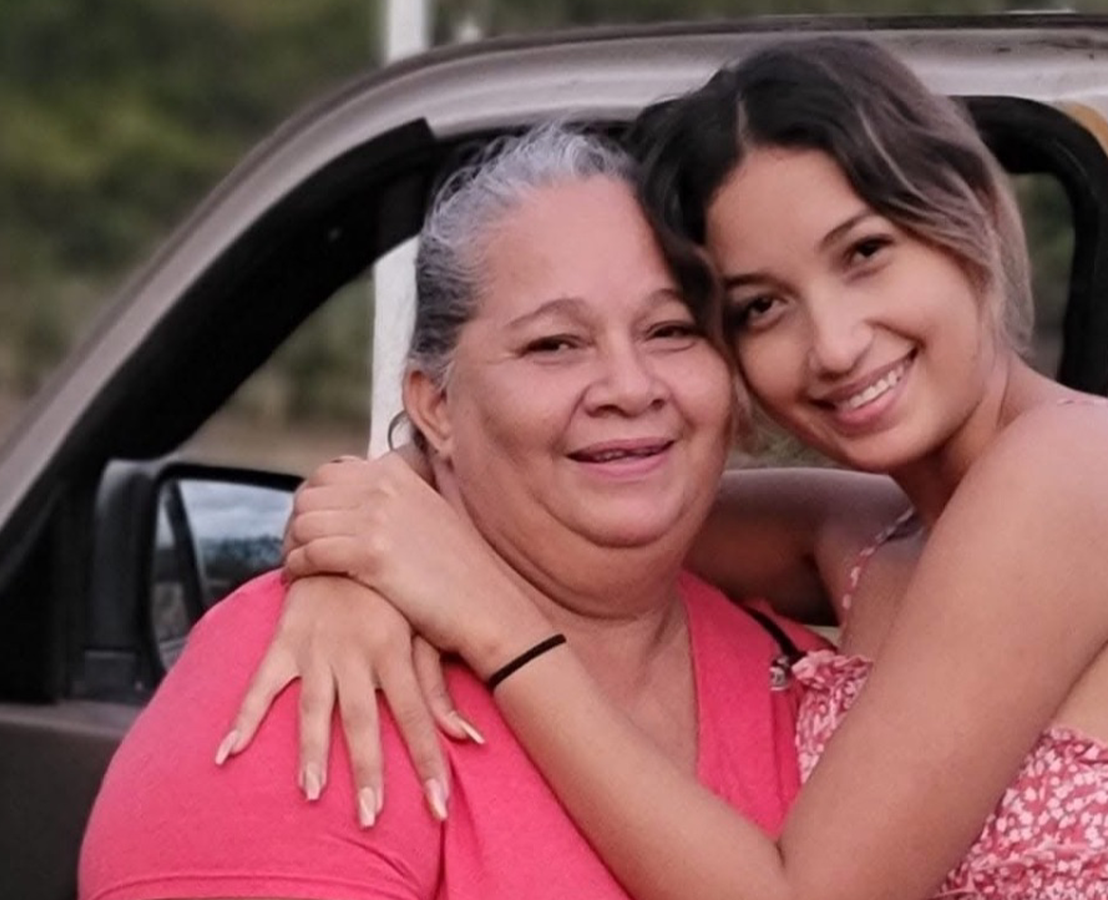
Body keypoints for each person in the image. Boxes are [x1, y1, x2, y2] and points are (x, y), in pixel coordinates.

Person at [232, 37, 1108, 900]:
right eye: (762, 307)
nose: (835, 345)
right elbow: (538, 505)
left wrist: (498, 633)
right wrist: (354, 569)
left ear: (974, 217)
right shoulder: (867, 535)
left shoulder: (1070, 470)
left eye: (864, 254)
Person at [77, 124, 831, 900]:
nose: (630, 387)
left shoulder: (812, 685)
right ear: (435, 404)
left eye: (671, 330)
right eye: (555, 345)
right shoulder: (311, 683)